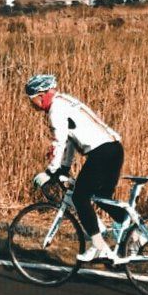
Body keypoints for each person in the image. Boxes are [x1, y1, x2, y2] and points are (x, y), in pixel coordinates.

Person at [25, 74, 130, 263]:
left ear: (40, 96)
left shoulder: (55, 110)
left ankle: (99, 247)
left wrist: (51, 171)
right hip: (114, 149)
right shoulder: (66, 101)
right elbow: (70, 141)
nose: (33, 106)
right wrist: (64, 168)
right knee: (103, 198)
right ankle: (137, 235)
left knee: (79, 198)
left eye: (32, 101)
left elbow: (60, 141)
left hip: (101, 152)